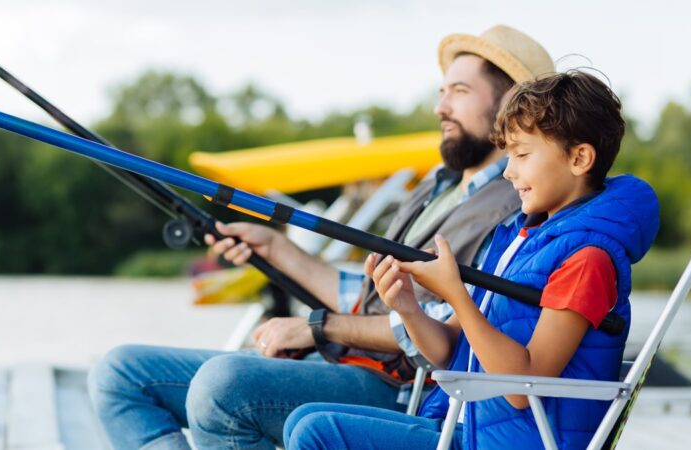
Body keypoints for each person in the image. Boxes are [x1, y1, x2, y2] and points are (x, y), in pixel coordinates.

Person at [88, 25, 554, 450]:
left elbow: (445, 332)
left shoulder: (517, 204)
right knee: (120, 373)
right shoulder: (439, 186)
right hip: (345, 364)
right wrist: (277, 250)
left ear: (509, 102)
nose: (440, 107)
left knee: (222, 385)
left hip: (402, 389)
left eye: (459, 91)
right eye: (441, 91)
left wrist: (316, 327)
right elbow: (373, 297)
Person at [283, 70, 660, 449]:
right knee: (303, 418)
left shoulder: (587, 261)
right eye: (509, 155)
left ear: (579, 158)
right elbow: (449, 350)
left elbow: (520, 387)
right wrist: (408, 307)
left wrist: (457, 296)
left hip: (516, 441)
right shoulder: (521, 239)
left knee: (316, 432)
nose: (510, 171)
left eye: (523, 154)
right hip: (466, 423)